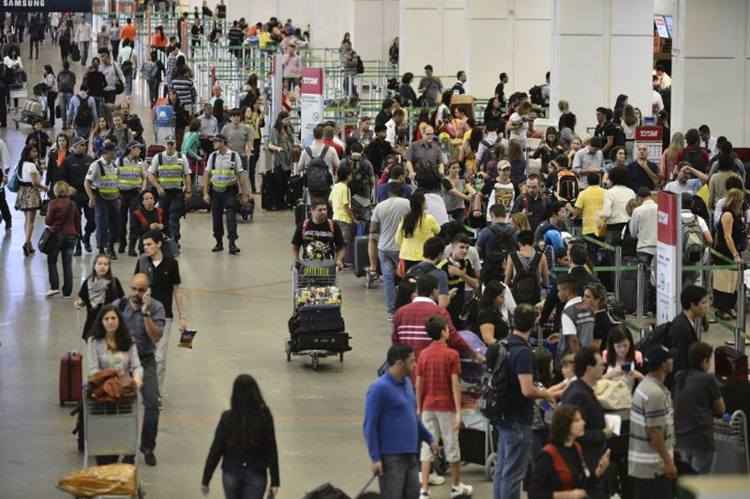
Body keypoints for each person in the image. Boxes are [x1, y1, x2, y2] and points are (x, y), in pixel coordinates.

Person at [493, 304, 556, 499]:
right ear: (534, 322)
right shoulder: (523, 352)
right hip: (518, 418)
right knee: (514, 473)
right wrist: (546, 395)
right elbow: (527, 389)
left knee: (503, 469)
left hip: (502, 414)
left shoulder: (502, 345)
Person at [364, 344, 438, 499]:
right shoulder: (379, 389)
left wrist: (429, 438)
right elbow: (370, 425)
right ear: (399, 363)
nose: (415, 364)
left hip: (411, 456)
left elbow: (413, 418)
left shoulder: (407, 385)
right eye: (411, 361)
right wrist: (375, 458)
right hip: (391, 459)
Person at [416, 316, 473, 498]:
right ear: (442, 332)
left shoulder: (423, 355)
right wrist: (458, 411)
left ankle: (424, 489)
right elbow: (455, 383)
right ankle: (456, 486)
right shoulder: (452, 355)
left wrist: (419, 406)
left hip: (427, 406)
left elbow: (419, 383)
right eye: (447, 328)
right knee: (451, 446)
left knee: (427, 447)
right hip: (446, 406)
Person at [114, 273, 165, 467]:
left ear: (148, 290)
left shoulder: (157, 307)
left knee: (152, 403)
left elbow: (155, 337)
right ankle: (127, 448)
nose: (136, 293)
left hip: (146, 359)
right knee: (124, 405)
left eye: (141, 290)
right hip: (124, 362)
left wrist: (145, 313)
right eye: (134, 289)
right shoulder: (120, 305)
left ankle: (147, 447)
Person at [201, 374, 280, 499]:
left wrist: (206, 479)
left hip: (231, 472)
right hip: (256, 473)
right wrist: (275, 481)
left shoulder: (227, 418)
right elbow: (271, 449)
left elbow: (216, 449)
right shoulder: (264, 417)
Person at [86, 304, 143, 464]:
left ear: (119, 320)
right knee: (106, 440)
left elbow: (136, 366)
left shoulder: (129, 341)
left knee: (127, 438)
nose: (110, 322)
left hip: (124, 395)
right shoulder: (93, 342)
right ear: (101, 322)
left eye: (113, 318)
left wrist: (137, 380)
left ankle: (126, 473)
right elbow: (92, 370)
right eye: (106, 319)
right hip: (104, 397)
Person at [134, 230, 187, 396]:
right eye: (144, 245)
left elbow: (177, 290)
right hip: (142, 314)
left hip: (164, 317)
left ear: (158, 244)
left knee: (159, 357)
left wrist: (182, 316)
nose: (146, 248)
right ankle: (140, 387)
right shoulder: (142, 262)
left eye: (149, 244)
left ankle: (155, 393)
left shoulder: (172, 264)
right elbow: (135, 285)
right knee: (141, 353)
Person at [528, 405, 611, 499]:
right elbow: (534, 494)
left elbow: (583, 485)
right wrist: (568, 495)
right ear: (565, 425)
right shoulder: (547, 454)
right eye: (577, 420)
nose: (583, 423)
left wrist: (598, 472)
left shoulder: (576, 447)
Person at [628, 346, 676, 498]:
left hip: (645, 467)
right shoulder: (654, 393)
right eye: (670, 358)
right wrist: (668, 462)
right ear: (663, 364)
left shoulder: (645, 386)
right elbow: (654, 433)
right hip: (653, 468)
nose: (672, 360)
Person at [560, 348, 609, 495]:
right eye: (600, 364)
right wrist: (603, 434)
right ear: (589, 368)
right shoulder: (578, 395)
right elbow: (575, 434)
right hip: (586, 462)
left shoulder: (582, 390)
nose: (603, 367)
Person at [673, 342, 726, 475]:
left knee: (685, 482)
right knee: (700, 482)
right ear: (704, 361)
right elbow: (721, 409)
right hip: (701, 440)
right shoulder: (707, 379)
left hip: (681, 439)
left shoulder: (680, 376)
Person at [203, 134, 250, 254]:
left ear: (223, 142)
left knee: (231, 218)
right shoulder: (212, 156)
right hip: (215, 192)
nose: (214, 144)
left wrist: (245, 194)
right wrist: (205, 193)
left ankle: (232, 243)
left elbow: (241, 175)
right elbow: (207, 175)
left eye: (216, 141)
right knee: (216, 219)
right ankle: (218, 242)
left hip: (229, 191)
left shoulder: (234, 156)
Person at [369, 180, 411, 317]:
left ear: (388, 193)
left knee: (388, 279)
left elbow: (373, 231)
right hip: (402, 248)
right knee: (406, 278)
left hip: (383, 247)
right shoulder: (408, 204)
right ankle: (406, 309)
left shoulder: (379, 207)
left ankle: (391, 312)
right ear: (402, 191)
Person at [148, 136, 191, 246]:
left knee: (174, 216)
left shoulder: (182, 157)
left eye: (172, 144)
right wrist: (158, 187)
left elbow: (187, 175)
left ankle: (174, 240)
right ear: (165, 145)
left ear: (175, 145)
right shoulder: (158, 157)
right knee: (163, 217)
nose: (170, 146)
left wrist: (188, 190)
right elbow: (150, 174)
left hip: (177, 192)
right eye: (168, 144)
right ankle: (166, 238)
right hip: (163, 193)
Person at [713, 188, 745, 319]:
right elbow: (727, 236)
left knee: (734, 281)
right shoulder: (727, 215)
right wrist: (735, 255)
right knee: (723, 281)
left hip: (736, 250)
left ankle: (730, 307)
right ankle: (722, 309)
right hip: (726, 253)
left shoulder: (737, 215)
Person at [44, 180, 81, 297]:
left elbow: (48, 221)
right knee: (67, 263)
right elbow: (77, 221)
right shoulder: (73, 204)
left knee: (52, 261)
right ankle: (67, 291)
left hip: (56, 236)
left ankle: (54, 287)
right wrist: (77, 235)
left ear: (55, 191)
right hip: (71, 236)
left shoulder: (52, 203)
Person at [75, 254, 125, 339]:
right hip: (92, 322)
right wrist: (79, 303)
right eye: (99, 264)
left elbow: (122, 301)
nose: (103, 267)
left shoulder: (114, 282)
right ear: (94, 265)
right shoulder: (88, 282)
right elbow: (83, 299)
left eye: (106, 264)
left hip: (109, 323)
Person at [85, 141, 121, 258]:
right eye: (113, 151)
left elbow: (116, 181)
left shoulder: (114, 165)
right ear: (107, 152)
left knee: (115, 224)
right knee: (102, 223)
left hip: (114, 198)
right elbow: (87, 182)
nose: (115, 153)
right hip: (100, 198)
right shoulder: (96, 165)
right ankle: (101, 248)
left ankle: (110, 247)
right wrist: (91, 197)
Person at [438, 233, 479, 326]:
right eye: (461, 247)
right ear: (452, 247)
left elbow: (476, 284)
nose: (465, 251)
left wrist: (461, 274)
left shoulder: (466, 263)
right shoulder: (442, 266)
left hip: (460, 309)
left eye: (467, 248)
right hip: (445, 311)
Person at [291, 199, 346, 268]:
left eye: (325, 209)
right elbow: (295, 245)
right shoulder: (303, 225)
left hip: (328, 267)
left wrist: (339, 260)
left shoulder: (333, 225)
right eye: (320, 210)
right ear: (312, 211)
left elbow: (341, 246)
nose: (323, 212)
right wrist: (296, 259)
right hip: (308, 267)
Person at [63, 137, 95, 254]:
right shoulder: (67, 161)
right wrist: (68, 187)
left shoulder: (90, 160)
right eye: (81, 145)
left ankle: (86, 237)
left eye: (84, 145)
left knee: (92, 221)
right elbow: (62, 178)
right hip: (74, 195)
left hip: (88, 194)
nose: (84, 147)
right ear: (74, 147)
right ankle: (78, 246)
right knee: (76, 221)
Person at [395, 191, 441, 274]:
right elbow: (438, 230)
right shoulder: (429, 219)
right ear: (422, 204)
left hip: (406, 256)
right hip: (424, 257)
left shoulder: (405, 218)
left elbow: (397, 239)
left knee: (408, 283)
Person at [556, 274, 595, 367]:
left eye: (559, 290)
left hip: (574, 361)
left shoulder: (568, 312)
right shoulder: (588, 307)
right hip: (589, 355)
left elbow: (573, 340)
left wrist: (579, 364)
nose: (558, 294)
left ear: (567, 291)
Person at [629, 188, 658, 313]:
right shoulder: (660, 208)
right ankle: (656, 307)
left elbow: (633, 232)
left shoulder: (637, 210)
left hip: (644, 248)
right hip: (659, 248)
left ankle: (643, 308)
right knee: (658, 279)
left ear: (639, 198)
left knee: (643, 279)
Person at [116, 142, 147, 256]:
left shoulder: (140, 162)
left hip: (135, 194)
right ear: (131, 149)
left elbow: (144, 177)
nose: (140, 151)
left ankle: (131, 247)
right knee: (121, 220)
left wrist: (142, 190)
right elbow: (114, 176)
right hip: (121, 194)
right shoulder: (119, 161)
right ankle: (122, 243)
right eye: (138, 149)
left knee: (134, 221)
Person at [16, 146, 47, 256]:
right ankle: (27, 243)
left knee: (26, 220)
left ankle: (29, 244)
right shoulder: (31, 165)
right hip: (31, 193)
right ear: (28, 153)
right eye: (33, 151)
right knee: (31, 221)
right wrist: (44, 188)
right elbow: (35, 183)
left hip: (22, 192)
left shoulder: (20, 164)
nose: (36, 153)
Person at [669, 285, 708, 374]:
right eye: (703, 303)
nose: (707, 306)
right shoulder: (682, 328)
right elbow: (681, 362)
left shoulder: (684, 321)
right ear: (693, 305)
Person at [504, 229, 548, 306]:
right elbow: (546, 281)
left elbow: (507, 280)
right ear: (533, 242)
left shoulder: (512, 256)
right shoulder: (541, 256)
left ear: (519, 243)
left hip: (517, 298)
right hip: (535, 297)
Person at [582, 282, 618, 352]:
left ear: (598, 300)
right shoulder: (599, 315)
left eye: (587, 297)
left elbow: (594, 349)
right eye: (584, 296)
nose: (583, 299)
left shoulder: (599, 321)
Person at [474, 280, 512, 345]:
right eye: (501, 296)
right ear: (493, 297)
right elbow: (488, 339)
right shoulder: (486, 314)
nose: (504, 299)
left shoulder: (495, 310)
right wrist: (506, 347)